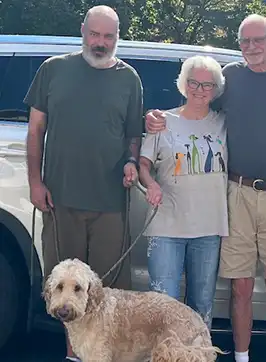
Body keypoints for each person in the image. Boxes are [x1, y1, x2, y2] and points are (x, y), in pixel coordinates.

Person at [144, 14, 266, 362]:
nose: (251, 47)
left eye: (259, 40)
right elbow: (190, 112)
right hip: (236, 194)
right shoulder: (230, 78)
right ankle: (240, 357)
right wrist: (150, 117)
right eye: (244, 41)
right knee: (239, 287)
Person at [24, 6, 143, 362]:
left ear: (117, 37)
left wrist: (132, 162)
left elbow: (132, 136)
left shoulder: (130, 79)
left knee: (107, 296)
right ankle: (74, 356)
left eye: (109, 36)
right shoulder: (53, 70)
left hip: (111, 204)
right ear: (83, 31)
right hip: (60, 202)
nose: (101, 43)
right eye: (95, 34)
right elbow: (35, 131)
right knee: (66, 294)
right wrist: (35, 182)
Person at [139, 55, 228, 330]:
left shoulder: (225, 123)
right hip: (167, 226)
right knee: (163, 305)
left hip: (209, 228)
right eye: (193, 82)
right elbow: (143, 165)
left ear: (216, 90)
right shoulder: (162, 121)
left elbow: (260, 135)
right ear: (183, 83)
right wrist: (150, 184)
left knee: (201, 308)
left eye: (207, 85)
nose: (199, 90)